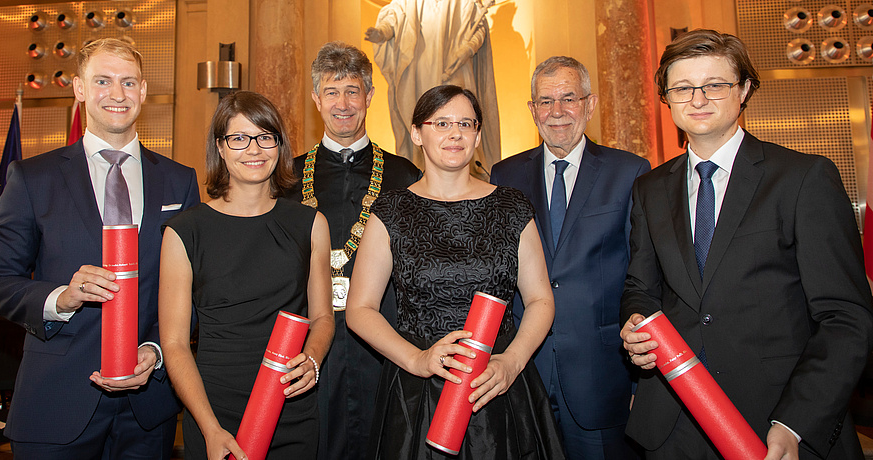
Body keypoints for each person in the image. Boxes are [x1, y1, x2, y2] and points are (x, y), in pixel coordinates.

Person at [620, 29, 873, 459]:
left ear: (744, 89)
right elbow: (640, 287)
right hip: (673, 424)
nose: (697, 99)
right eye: (682, 87)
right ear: (666, 98)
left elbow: (845, 318)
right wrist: (635, 326)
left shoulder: (802, 178)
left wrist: (795, 423)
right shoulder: (649, 188)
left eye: (714, 85)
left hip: (776, 421)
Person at [0, 38, 200, 458]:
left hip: (147, 409)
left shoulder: (179, 181)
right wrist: (61, 297)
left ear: (144, 91)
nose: (117, 94)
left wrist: (155, 350)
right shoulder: (31, 178)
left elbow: (191, 289)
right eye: (102, 81)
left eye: (128, 82)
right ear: (79, 88)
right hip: (56, 399)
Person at [346, 84, 565, 459]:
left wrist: (511, 363)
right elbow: (360, 310)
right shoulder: (390, 212)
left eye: (466, 123)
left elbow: (540, 299)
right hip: (418, 391)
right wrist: (416, 359)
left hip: (497, 385)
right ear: (417, 133)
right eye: (442, 122)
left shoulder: (511, 206)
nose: (455, 133)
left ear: (478, 134)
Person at [160, 91, 335, 460]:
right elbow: (174, 344)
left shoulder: (310, 223)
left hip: (290, 404)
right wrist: (209, 428)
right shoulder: (184, 230)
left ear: (279, 145)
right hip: (214, 409)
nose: (253, 149)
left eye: (265, 137)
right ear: (220, 148)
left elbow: (322, 317)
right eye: (239, 138)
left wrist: (313, 359)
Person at [490, 56, 650, 459]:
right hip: (525, 373)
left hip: (603, 376)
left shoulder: (629, 172)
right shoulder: (504, 176)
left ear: (590, 104)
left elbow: (643, 277)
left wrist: (640, 385)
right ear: (531, 110)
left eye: (568, 98)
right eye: (545, 101)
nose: (556, 112)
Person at [283, 41, 421, 460]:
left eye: (352, 91)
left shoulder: (406, 175)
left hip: (385, 345)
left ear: (369, 96)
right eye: (331, 91)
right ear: (315, 99)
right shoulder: (286, 178)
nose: (342, 104)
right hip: (308, 348)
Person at [365, 0, 501, 169]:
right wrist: (381, 33)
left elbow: (478, 28)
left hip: (456, 67)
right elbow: (394, 19)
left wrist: (468, 49)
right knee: (423, 117)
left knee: (458, 114)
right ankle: (419, 169)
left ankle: (465, 170)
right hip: (418, 71)